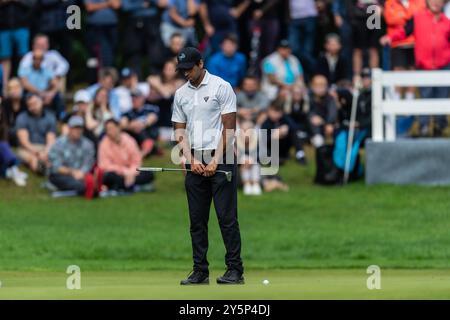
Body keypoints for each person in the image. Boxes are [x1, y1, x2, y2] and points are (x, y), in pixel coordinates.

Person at [172, 47, 244, 285]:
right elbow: (179, 130)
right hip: (195, 161)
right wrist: (191, 158)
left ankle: (235, 269)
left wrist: (215, 160)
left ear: (200, 64)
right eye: (182, 70)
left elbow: (229, 128)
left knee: (226, 217)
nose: (186, 74)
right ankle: (200, 270)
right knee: (197, 220)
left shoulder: (221, 87)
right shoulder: (181, 93)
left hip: (221, 158)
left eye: (189, 69)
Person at [381, 0, 450, 136]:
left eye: (439, 1)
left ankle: (440, 127)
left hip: (443, 66)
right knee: (425, 97)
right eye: (433, 0)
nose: (436, 3)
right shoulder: (418, 18)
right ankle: (423, 127)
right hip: (424, 66)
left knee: (442, 96)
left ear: (443, 4)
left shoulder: (447, 22)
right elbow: (404, 31)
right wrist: (390, 37)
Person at [48, 116, 99, 199]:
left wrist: (81, 173)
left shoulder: (88, 144)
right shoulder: (58, 143)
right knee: (60, 178)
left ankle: (89, 187)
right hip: (63, 174)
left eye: (80, 128)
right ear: (69, 129)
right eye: (75, 128)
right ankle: (89, 188)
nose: (78, 131)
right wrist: (72, 172)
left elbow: (88, 163)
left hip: (82, 175)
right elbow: (56, 166)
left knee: (86, 178)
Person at [98, 118, 154, 191]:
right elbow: (104, 165)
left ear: (118, 128)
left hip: (131, 172)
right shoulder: (104, 144)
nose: (109, 132)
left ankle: (123, 186)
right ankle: (132, 186)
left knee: (149, 173)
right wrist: (124, 172)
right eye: (107, 129)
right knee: (109, 177)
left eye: (111, 128)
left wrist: (131, 172)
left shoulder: (129, 140)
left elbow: (137, 161)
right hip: (116, 173)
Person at [121, 0, 168, 76]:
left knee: (156, 54)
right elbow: (125, 6)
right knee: (133, 54)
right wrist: (141, 4)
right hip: (133, 21)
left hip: (152, 21)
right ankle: (135, 82)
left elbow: (162, 3)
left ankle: (155, 79)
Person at [15, 93, 57, 174]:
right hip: (27, 148)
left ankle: (48, 168)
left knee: (53, 154)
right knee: (31, 159)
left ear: (41, 101)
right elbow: (24, 142)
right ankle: (42, 168)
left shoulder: (50, 117)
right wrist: (38, 153)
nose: (33, 107)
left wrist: (45, 152)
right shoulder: (22, 117)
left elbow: (51, 140)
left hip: (44, 147)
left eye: (35, 103)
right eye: (30, 105)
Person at [18, 48, 64, 118]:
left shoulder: (46, 70)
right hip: (30, 93)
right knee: (24, 96)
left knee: (58, 96)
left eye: (40, 58)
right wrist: (40, 93)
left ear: (42, 60)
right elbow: (25, 84)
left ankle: (61, 117)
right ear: (32, 59)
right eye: (35, 58)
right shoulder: (25, 69)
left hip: (44, 93)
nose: (37, 60)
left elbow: (56, 84)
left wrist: (51, 94)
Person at [348, 0, 384, 84]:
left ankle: (374, 78)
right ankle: (356, 78)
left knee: (374, 49)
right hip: (359, 18)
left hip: (375, 17)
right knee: (357, 49)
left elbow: (382, 4)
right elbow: (350, 6)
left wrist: (381, 8)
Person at [84, 0, 121, 80]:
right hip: (95, 28)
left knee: (109, 57)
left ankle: (108, 81)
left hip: (111, 27)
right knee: (96, 58)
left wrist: (98, 5)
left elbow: (116, 5)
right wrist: (108, 3)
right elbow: (89, 7)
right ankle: (95, 81)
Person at [0, 0, 33, 84]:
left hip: (22, 26)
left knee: (23, 58)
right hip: (3, 27)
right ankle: (4, 88)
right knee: (4, 57)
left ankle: (24, 85)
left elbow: (32, 3)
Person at [120, 89, 159, 157]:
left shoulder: (150, 109)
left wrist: (140, 124)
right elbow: (123, 124)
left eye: (136, 97)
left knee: (142, 130)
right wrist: (132, 126)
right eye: (132, 97)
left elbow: (151, 119)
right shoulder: (127, 113)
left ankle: (142, 153)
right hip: (134, 136)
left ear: (142, 98)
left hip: (148, 134)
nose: (134, 99)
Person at [147, 59, 185, 130]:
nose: (167, 71)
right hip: (158, 114)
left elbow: (170, 91)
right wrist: (163, 90)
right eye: (166, 68)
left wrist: (158, 88)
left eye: (170, 69)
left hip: (171, 117)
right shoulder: (157, 79)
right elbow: (150, 79)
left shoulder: (179, 82)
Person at [288, 0, 318, 77]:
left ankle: (312, 74)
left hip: (309, 16)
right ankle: (301, 74)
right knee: (294, 49)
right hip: (294, 17)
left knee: (307, 51)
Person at [0, 99, 27, 187]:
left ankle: (12, 171)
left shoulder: (3, 126)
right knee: (3, 146)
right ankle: (14, 170)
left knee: (3, 147)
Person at [307, 74, 338, 149]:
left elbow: (332, 114)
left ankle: (275, 158)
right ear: (312, 86)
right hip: (306, 128)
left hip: (323, 127)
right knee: (276, 130)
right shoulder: (307, 96)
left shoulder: (330, 98)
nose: (320, 88)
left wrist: (326, 123)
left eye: (323, 85)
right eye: (318, 85)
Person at [236, 119, 261, 195]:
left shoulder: (257, 142)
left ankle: (255, 184)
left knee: (255, 164)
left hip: (254, 169)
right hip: (240, 171)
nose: (246, 133)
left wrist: (251, 160)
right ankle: (247, 184)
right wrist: (242, 161)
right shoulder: (236, 142)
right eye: (243, 130)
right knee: (244, 161)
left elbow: (261, 156)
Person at [1, 78, 27, 145]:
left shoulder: (26, 102)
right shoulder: (4, 103)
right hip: (8, 131)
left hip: (24, 131)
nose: (14, 90)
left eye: (17, 87)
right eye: (10, 88)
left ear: (21, 89)